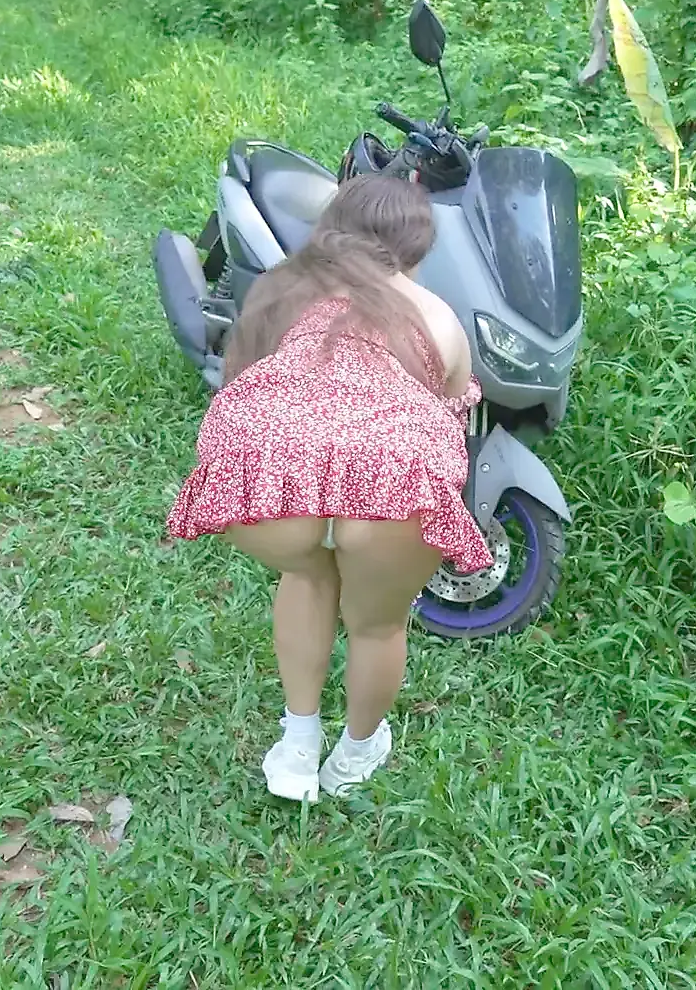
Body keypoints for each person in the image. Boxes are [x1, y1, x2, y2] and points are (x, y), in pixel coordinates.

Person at [165, 175, 490, 802]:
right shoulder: (436, 315)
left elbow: (241, 375)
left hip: (269, 466)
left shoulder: (282, 293)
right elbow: (452, 416)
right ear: (418, 248)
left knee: (310, 573)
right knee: (376, 626)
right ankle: (355, 756)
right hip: (393, 474)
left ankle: (297, 748)